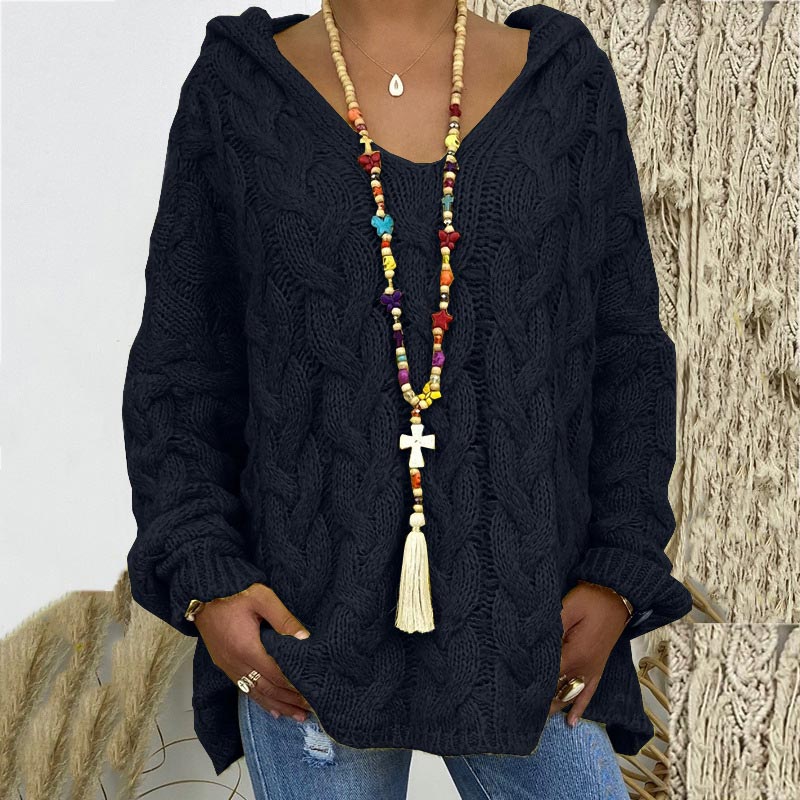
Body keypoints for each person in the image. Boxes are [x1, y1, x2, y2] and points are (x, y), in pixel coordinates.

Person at [121, 1, 693, 797]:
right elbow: (180, 368)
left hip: (533, 631)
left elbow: (627, 354)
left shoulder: (566, 85)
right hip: (305, 639)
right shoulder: (237, 91)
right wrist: (206, 578)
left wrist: (618, 574)